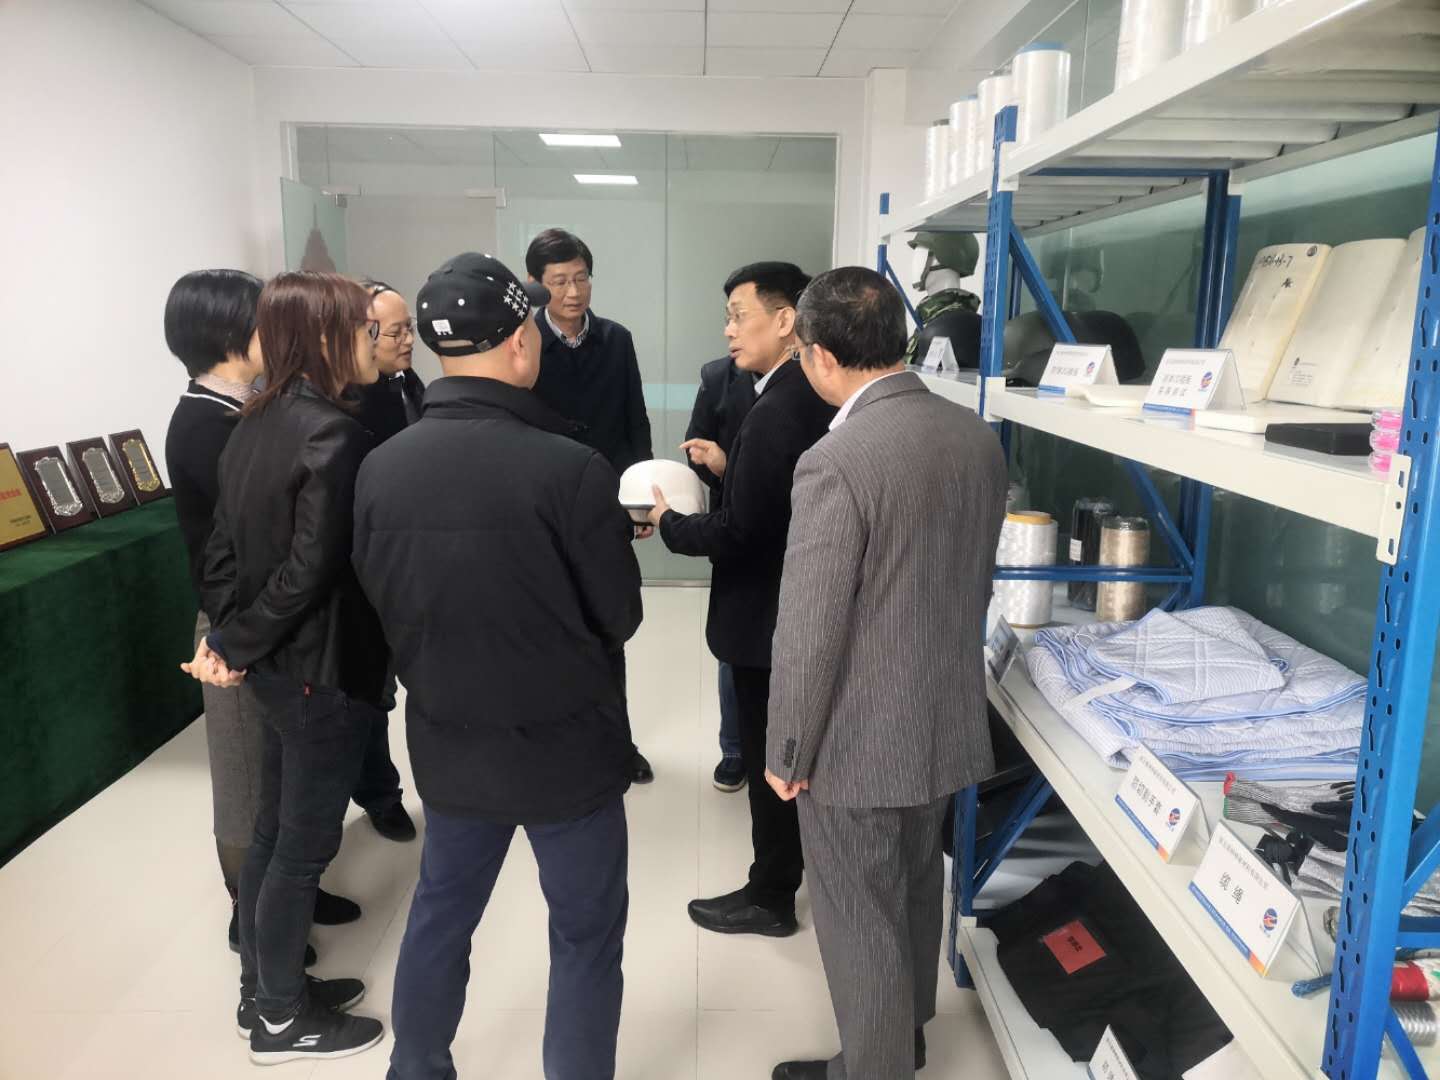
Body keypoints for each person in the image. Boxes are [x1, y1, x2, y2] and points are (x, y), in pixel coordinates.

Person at [353, 253, 642, 1080]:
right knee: (585, 934)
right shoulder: (570, 468)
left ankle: (417, 1067)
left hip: (450, 741)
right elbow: (619, 616)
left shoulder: (380, 467)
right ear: (521, 341)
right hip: (569, 750)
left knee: (440, 915)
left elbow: (377, 599)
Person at [764, 267, 1008, 1080]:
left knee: (857, 912)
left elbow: (810, 629)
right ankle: (906, 1034)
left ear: (823, 356)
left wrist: (787, 749)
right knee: (912, 881)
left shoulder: (836, 461)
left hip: (858, 735)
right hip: (943, 714)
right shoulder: (974, 436)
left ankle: (874, 1066)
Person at [183, 271, 388, 1065]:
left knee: (273, 831)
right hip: (319, 672)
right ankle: (279, 1019)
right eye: (366, 328)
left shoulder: (255, 418)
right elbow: (309, 572)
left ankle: (263, 989)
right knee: (302, 849)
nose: (376, 340)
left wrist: (234, 639)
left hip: (277, 669)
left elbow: (221, 552)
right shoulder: (332, 434)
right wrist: (238, 644)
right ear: (328, 336)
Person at [161, 269, 360, 964]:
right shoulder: (206, 421)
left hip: (262, 621)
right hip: (243, 621)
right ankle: (250, 920)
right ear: (227, 333)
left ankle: (285, 903)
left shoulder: (254, 408)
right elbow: (233, 547)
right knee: (249, 788)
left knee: (282, 794)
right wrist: (234, 641)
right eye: (262, 320)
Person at [647, 261, 833, 938]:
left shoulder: (777, 408)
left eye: (738, 315)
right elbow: (776, 498)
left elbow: (740, 532)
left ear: (786, 321)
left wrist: (669, 523)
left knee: (769, 760)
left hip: (767, 618)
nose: (728, 331)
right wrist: (732, 469)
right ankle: (783, 880)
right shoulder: (803, 393)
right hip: (795, 605)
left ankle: (770, 895)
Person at [527, 227, 655, 785]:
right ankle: (554, 747)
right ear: (537, 285)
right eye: (559, 281)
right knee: (547, 630)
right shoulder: (524, 340)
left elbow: (634, 418)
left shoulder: (616, 339)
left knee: (608, 628)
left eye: (581, 278)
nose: (573, 292)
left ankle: (616, 745)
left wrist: (640, 496)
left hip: (605, 503)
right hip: (543, 509)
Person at [345, 279, 422, 844]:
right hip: (367, 569)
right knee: (371, 692)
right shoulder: (349, 403)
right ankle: (379, 793)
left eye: (409, 328)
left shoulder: (408, 382)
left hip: (413, 561)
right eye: (396, 333)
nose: (408, 341)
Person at [681, 354, 756, 793]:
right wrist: (720, 467)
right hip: (734, 522)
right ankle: (734, 749)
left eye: (739, 321)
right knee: (734, 642)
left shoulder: (807, 376)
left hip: (796, 524)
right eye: (728, 321)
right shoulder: (717, 376)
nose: (731, 330)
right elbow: (695, 446)